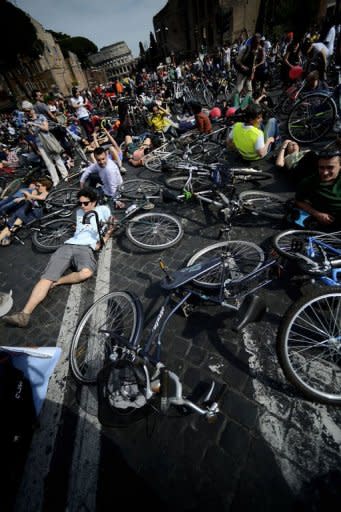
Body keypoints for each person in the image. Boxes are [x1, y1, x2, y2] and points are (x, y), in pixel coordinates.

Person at [3, 187, 113, 327]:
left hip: (86, 248)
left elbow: (109, 228)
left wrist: (106, 235)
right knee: (47, 277)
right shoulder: (79, 211)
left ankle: (58, 281)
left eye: (86, 203)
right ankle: (24, 315)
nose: (82, 206)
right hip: (69, 245)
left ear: (94, 201)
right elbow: (78, 228)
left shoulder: (103, 210)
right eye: (80, 203)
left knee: (86, 272)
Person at [21, 100, 68, 186]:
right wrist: (28, 128)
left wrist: (36, 125)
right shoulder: (27, 121)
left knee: (56, 157)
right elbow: (32, 135)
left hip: (48, 140)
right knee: (48, 162)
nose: (28, 113)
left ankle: (65, 175)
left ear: (32, 109)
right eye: (26, 112)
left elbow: (46, 129)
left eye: (28, 111)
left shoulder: (41, 116)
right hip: (39, 143)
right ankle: (55, 180)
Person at [294, 150, 341, 228]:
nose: (325, 172)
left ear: (340, 166)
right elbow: (299, 201)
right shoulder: (309, 182)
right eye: (321, 168)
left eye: (330, 167)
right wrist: (317, 214)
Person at [0, 177, 52, 246]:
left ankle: (8, 233)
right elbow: (30, 199)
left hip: (33, 212)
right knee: (13, 221)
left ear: (45, 186)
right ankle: (8, 233)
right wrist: (25, 197)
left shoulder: (45, 193)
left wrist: (28, 194)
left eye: (38, 186)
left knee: (15, 221)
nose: (37, 187)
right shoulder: (36, 191)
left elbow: (41, 199)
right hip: (27, 209)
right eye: (36, 185)